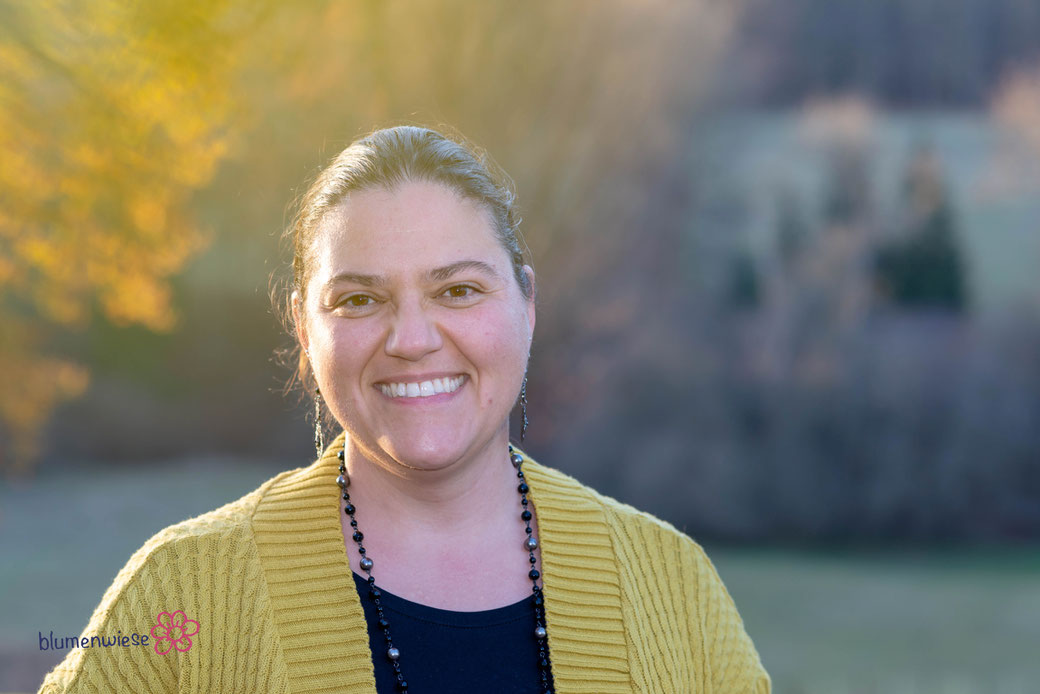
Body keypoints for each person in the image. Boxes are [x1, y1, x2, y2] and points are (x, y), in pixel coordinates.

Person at [38, 125, 770, 693]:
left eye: (458, 290)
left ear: (527, 305)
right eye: (359, 300)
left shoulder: (672, 585)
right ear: (302, 327)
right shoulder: (185, 592)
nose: (412, 340)